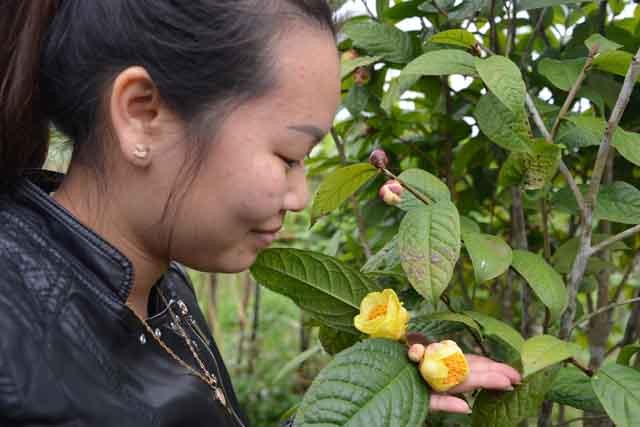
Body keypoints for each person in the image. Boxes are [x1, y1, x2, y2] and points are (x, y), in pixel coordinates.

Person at [0, 1, 521, 426]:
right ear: (142, 114)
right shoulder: (17, 356)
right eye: (289, 157)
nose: (299, 196)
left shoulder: (160, 287)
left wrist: (359, 410)